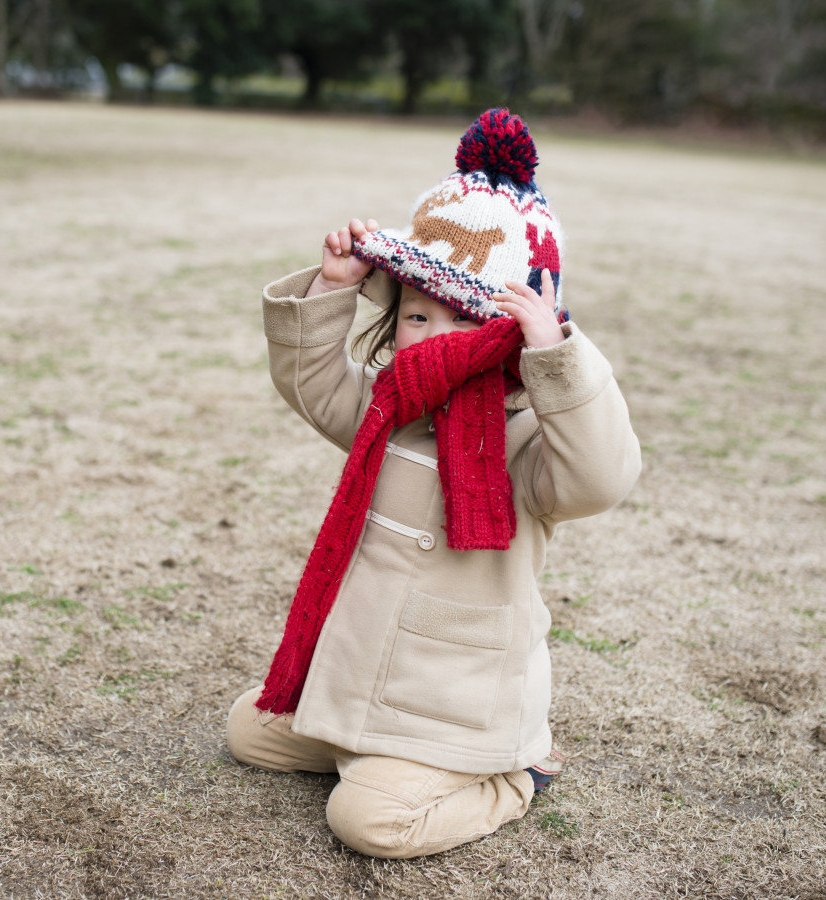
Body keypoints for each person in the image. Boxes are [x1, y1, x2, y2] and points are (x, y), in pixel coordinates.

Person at [227, 109, 642, 859]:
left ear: (509, 338)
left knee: (368, 824)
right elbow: (314, 386)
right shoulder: (389, 406)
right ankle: (362, 746)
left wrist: (558, 359)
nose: (432, 337)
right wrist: (332, 286)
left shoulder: (525, 442)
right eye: (416, 314)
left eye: (462, 319)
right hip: (357, 671)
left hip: (452, 697)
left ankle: (512, 774)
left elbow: (599, 479)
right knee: (247, 732)